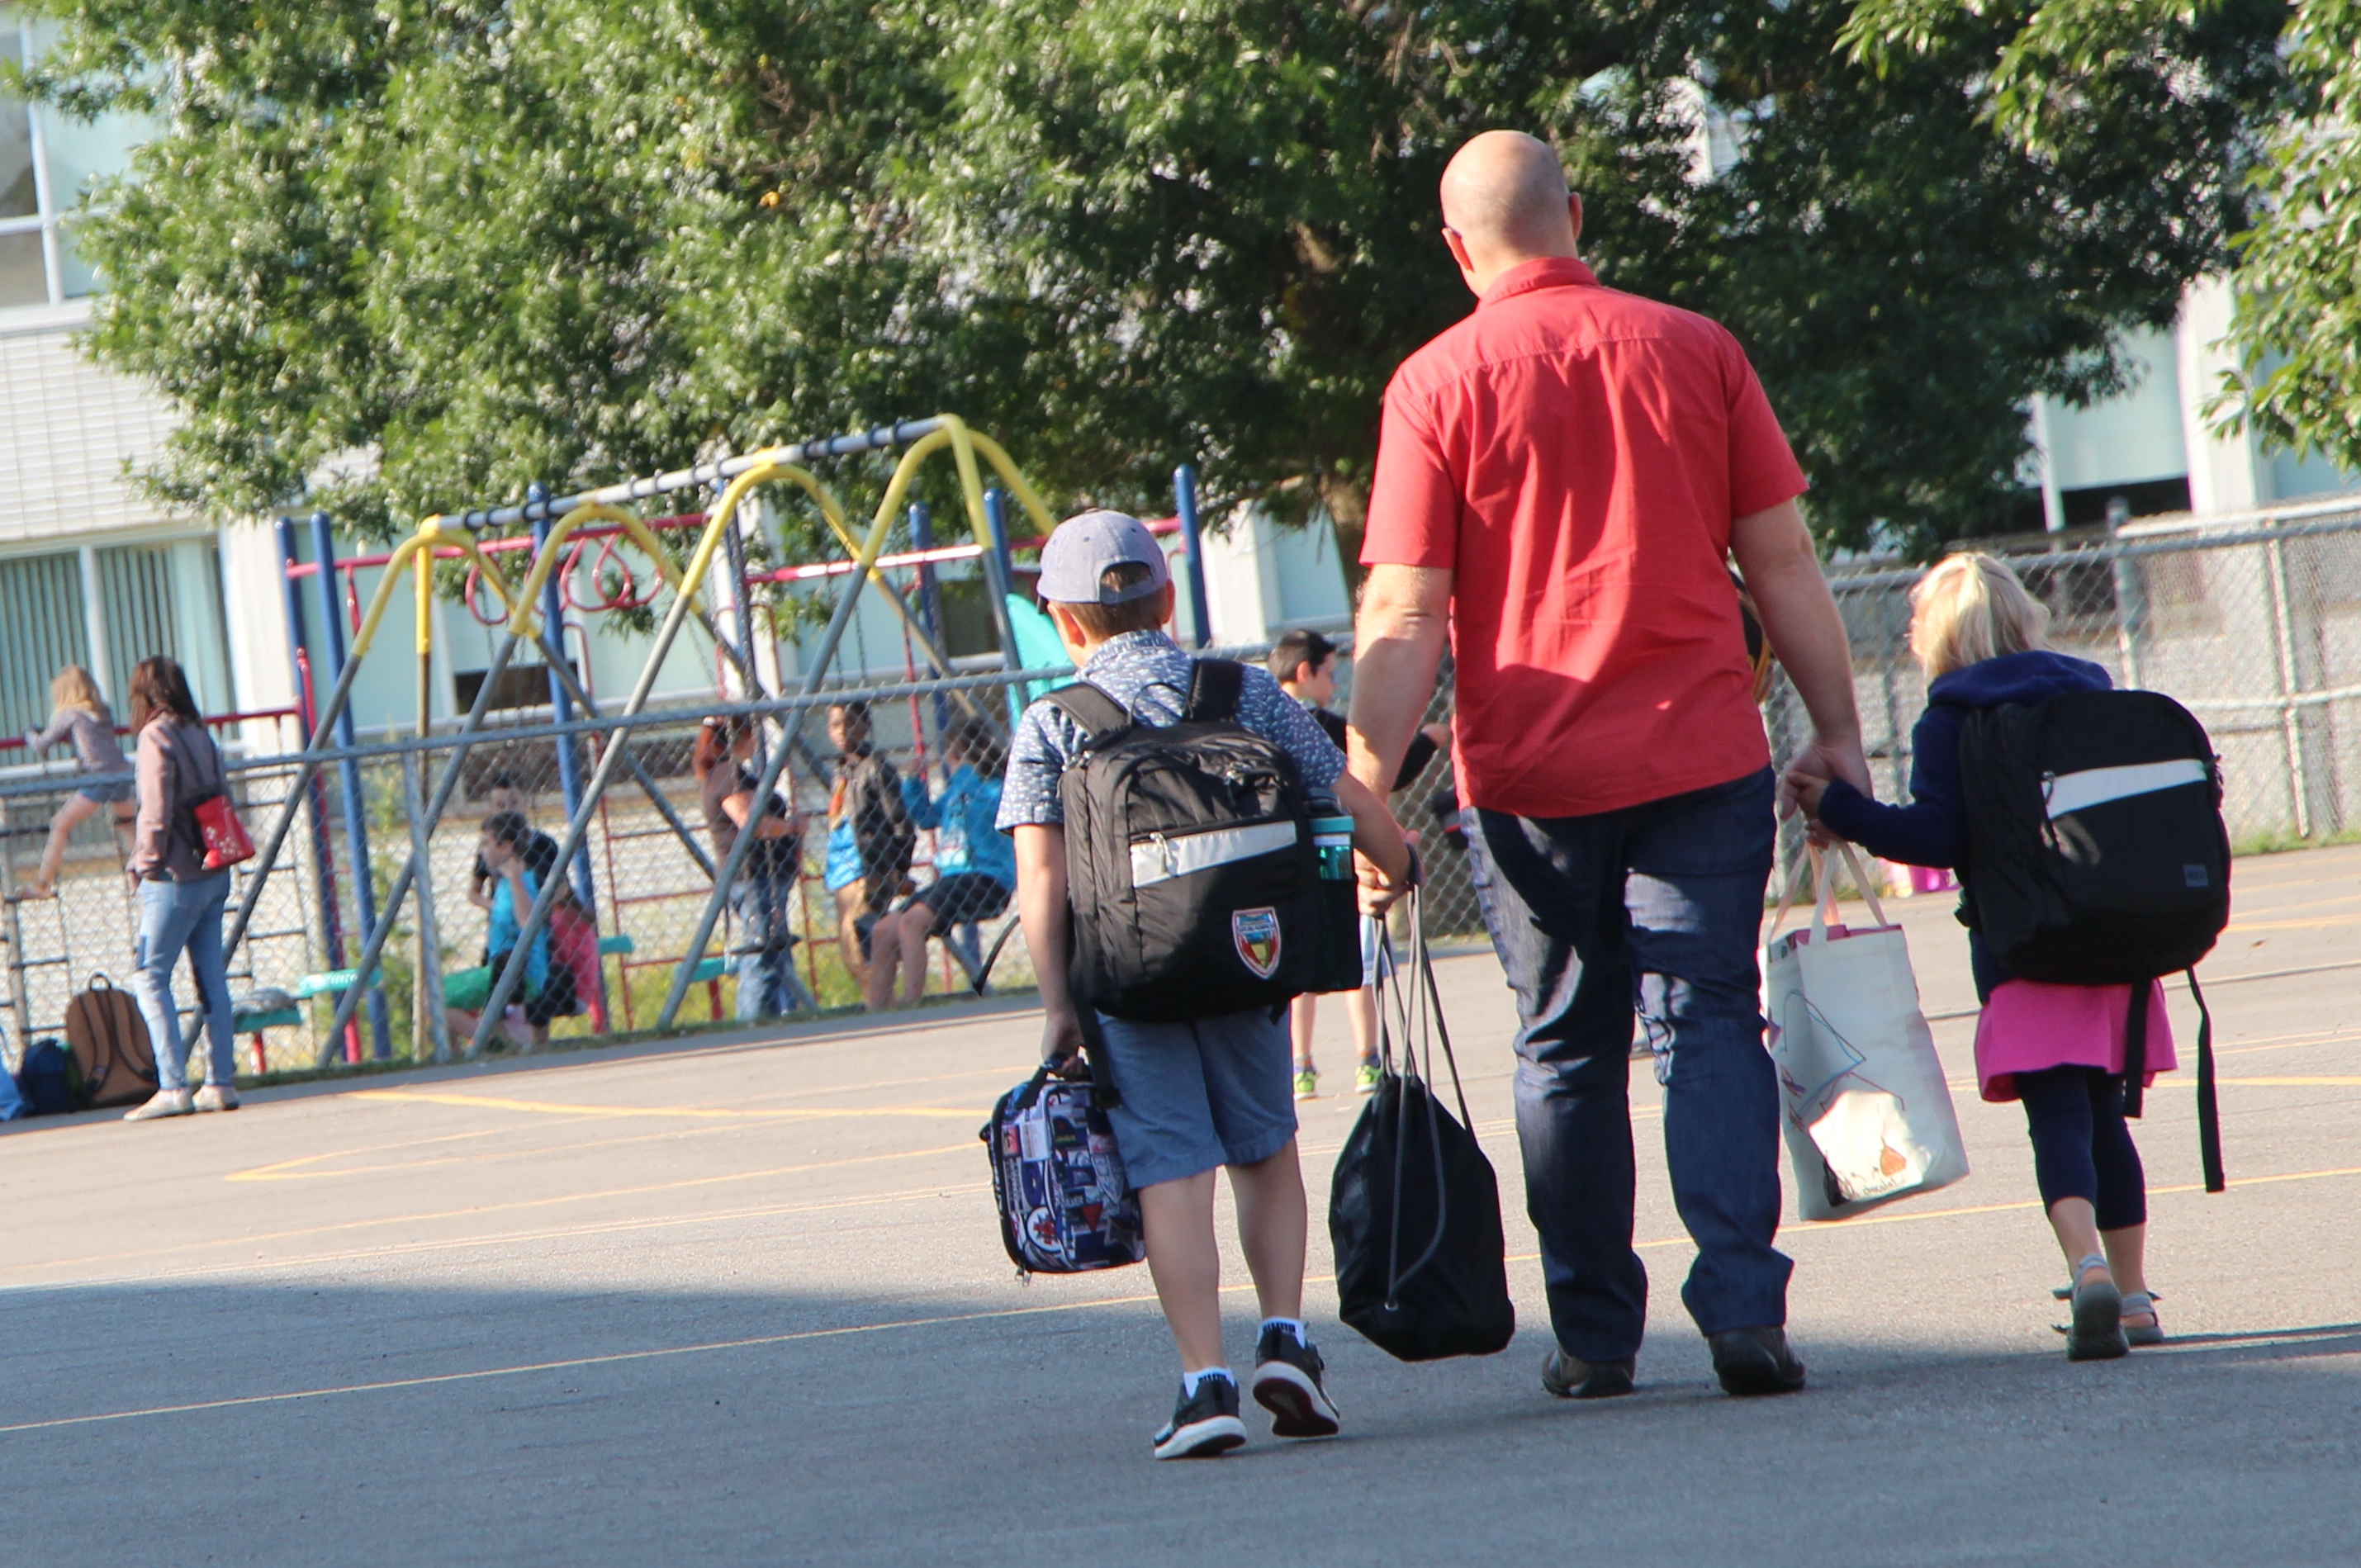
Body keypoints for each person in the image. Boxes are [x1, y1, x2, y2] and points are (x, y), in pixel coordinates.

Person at [1346, 130, 1870, 1400]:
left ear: (1455, 246)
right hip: (1699, 750)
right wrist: (1836, 726)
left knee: (1563, 1045)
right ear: (1573, 213)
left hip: (1531, 777)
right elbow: (1784, 563)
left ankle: (1592, 1335)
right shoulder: (1696, 348)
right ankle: (1743, 1310)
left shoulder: (1432, 382)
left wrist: (1364, 784)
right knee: (1707, 1019)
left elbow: (1407, 610)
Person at [1000, 509, 1411, 1460]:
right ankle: (1287, 1340)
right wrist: (1398, 857)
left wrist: (1061, 1004)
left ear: (1064, 622)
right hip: (1249, 961)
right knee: (1264, 1149)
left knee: (1170, 1172)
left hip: (1128, 981)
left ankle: (1204, 1384)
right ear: (1169, 598)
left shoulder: (1055, 724)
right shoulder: (1248, 693)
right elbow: (1338, 795)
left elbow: (1043, 879)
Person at [1788, 554, 2167, 1358]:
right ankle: (2135, 1296)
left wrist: (1841, 809)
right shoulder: (2091, 693)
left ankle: (2087, 1266)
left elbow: (1936, 839)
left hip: (2025, 950)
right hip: (2119, 945)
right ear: (2022, 617)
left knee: (2057, 1119)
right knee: (2107, 1118)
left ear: (1939, 636)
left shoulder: (1950, 719)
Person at [1267, 628, 1449, 1099]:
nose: (1332, 684)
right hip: (1337, 862)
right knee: (1359, 963)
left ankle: (1300, 1066)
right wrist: (1430, 738)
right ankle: (1369, 1059)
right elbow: (1375, 778)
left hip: (1284, 867)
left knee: (1297, 975)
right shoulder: (1322, 727)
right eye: (1329, 673)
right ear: (1305, 672)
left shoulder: (1257, 725)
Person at [120, 657, 240, 1121]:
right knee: (211, 977)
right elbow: (223, 793)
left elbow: (155, 810)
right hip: (214, 867)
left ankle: (173, 1086)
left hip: (174, 875)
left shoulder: (156, 737)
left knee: (149, 976)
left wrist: (142, 863)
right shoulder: (200, 732)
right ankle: (220, 1082)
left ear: (146, 695)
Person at [864, 720, 1013, 1011]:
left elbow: (991, 805)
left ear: (957, 754)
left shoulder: (991, 785)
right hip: (952, 878)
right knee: (883, 930)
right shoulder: (957, 789)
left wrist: (967, 774)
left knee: (911, 923)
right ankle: (877, 1011)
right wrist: (914, 783)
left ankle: (912, 1004)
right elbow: (927, 818)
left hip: (985, 878)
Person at [696, 715, 815, 1021]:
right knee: (761, 951)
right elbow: (751, 822)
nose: (756, 742)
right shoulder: (727, 774)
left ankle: (784, 1012)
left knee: (774, 949)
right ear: (742, 737)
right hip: (753, 877)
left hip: (766, 876)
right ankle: (753, 1020)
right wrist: (790, 827)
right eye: (753, 735)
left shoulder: (732, 773)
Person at [443, 812, 562, 1051]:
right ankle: (483, 1041)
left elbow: (528, 922)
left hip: (522, 976)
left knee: (433, 999)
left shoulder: (522, 880)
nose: (481, 851)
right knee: (434, 996)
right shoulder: (505, 883)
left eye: (486, 843)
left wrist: (516, 880)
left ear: (506, 846)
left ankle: (494, 1040)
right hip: (500, 971)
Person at [20, 665, 136, 899]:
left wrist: (29, 733)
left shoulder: (69, 715)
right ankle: (141, 877)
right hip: (121, 772)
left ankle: (43, 884)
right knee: (127, 824)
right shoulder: (104, 712)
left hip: (97, 776)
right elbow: (96, 741)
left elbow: (42, 744)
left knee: (60, 824)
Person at [825, 701, 915, 988]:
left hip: (869, 866)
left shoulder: (875, 768)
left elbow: (900, 822)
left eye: (849, 723)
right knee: (851, 953)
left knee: (862, 940)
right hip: (842, 872)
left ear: (864, 726)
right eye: (835, 725)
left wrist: (898, 868)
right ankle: (878, 1000)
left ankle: (881, 1004)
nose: (842, 731)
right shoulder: (841, 773)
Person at [469, 771, 562, 902]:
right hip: (504, 917)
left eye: (514, 803)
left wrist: (539, 908)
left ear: (525, 804)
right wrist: (498, 908)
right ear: (492, 810)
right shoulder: (489, 847)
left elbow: (563, 888)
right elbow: (473, 893)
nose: (508, 810)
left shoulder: (544, 843)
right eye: (500, 805)